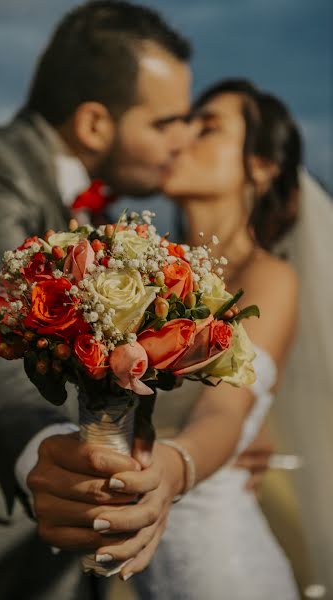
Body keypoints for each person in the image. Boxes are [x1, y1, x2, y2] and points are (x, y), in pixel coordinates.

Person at [0, 2, 193, 598]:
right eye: (165, 122)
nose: (182, 139)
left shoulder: (104, 212)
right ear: (96, 124)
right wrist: (40, 451)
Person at [86, 79, 303, 596]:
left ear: (262, 165)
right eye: (184, 123)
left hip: (223, 567)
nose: (183, 138)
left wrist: (174, 467)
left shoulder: (271, 276)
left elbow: (223, 410)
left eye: (209, 128)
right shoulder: (143, 276)